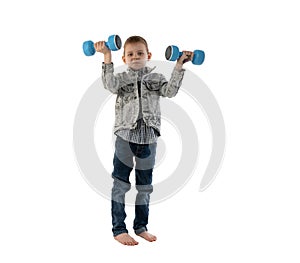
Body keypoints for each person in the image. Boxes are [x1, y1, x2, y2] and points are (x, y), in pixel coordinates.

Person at [94, 36, 193, 246]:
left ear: (148, 56)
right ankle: (119, 229)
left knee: (145, 186)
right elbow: (108, 84)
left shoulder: (156, 77)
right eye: (130, 54)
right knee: (120, 184)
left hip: (148, 138)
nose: (135, 57)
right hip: (125, 137)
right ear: (124, 58)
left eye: (140, 53)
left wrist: (178, 65)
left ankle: (141, 227)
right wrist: (106, 55)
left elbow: (170, 91)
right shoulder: (120, 79)